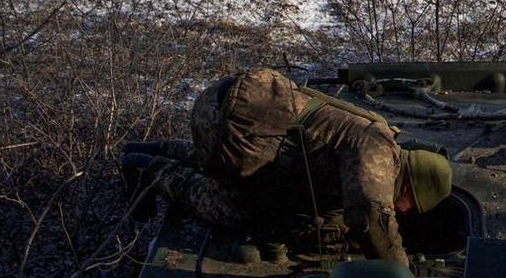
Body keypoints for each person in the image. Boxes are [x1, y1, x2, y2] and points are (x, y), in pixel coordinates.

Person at [121, 68, 452, 267]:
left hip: (227, 112)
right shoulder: (378, 150)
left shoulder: (377, 140)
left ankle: (156, 151)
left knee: (229, 168)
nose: (403, 212)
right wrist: (401, 276)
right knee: (236, 210)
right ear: (410, 186)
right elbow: (370, 216)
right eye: (410, 207)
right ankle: (150, 171)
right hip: (230, 122)